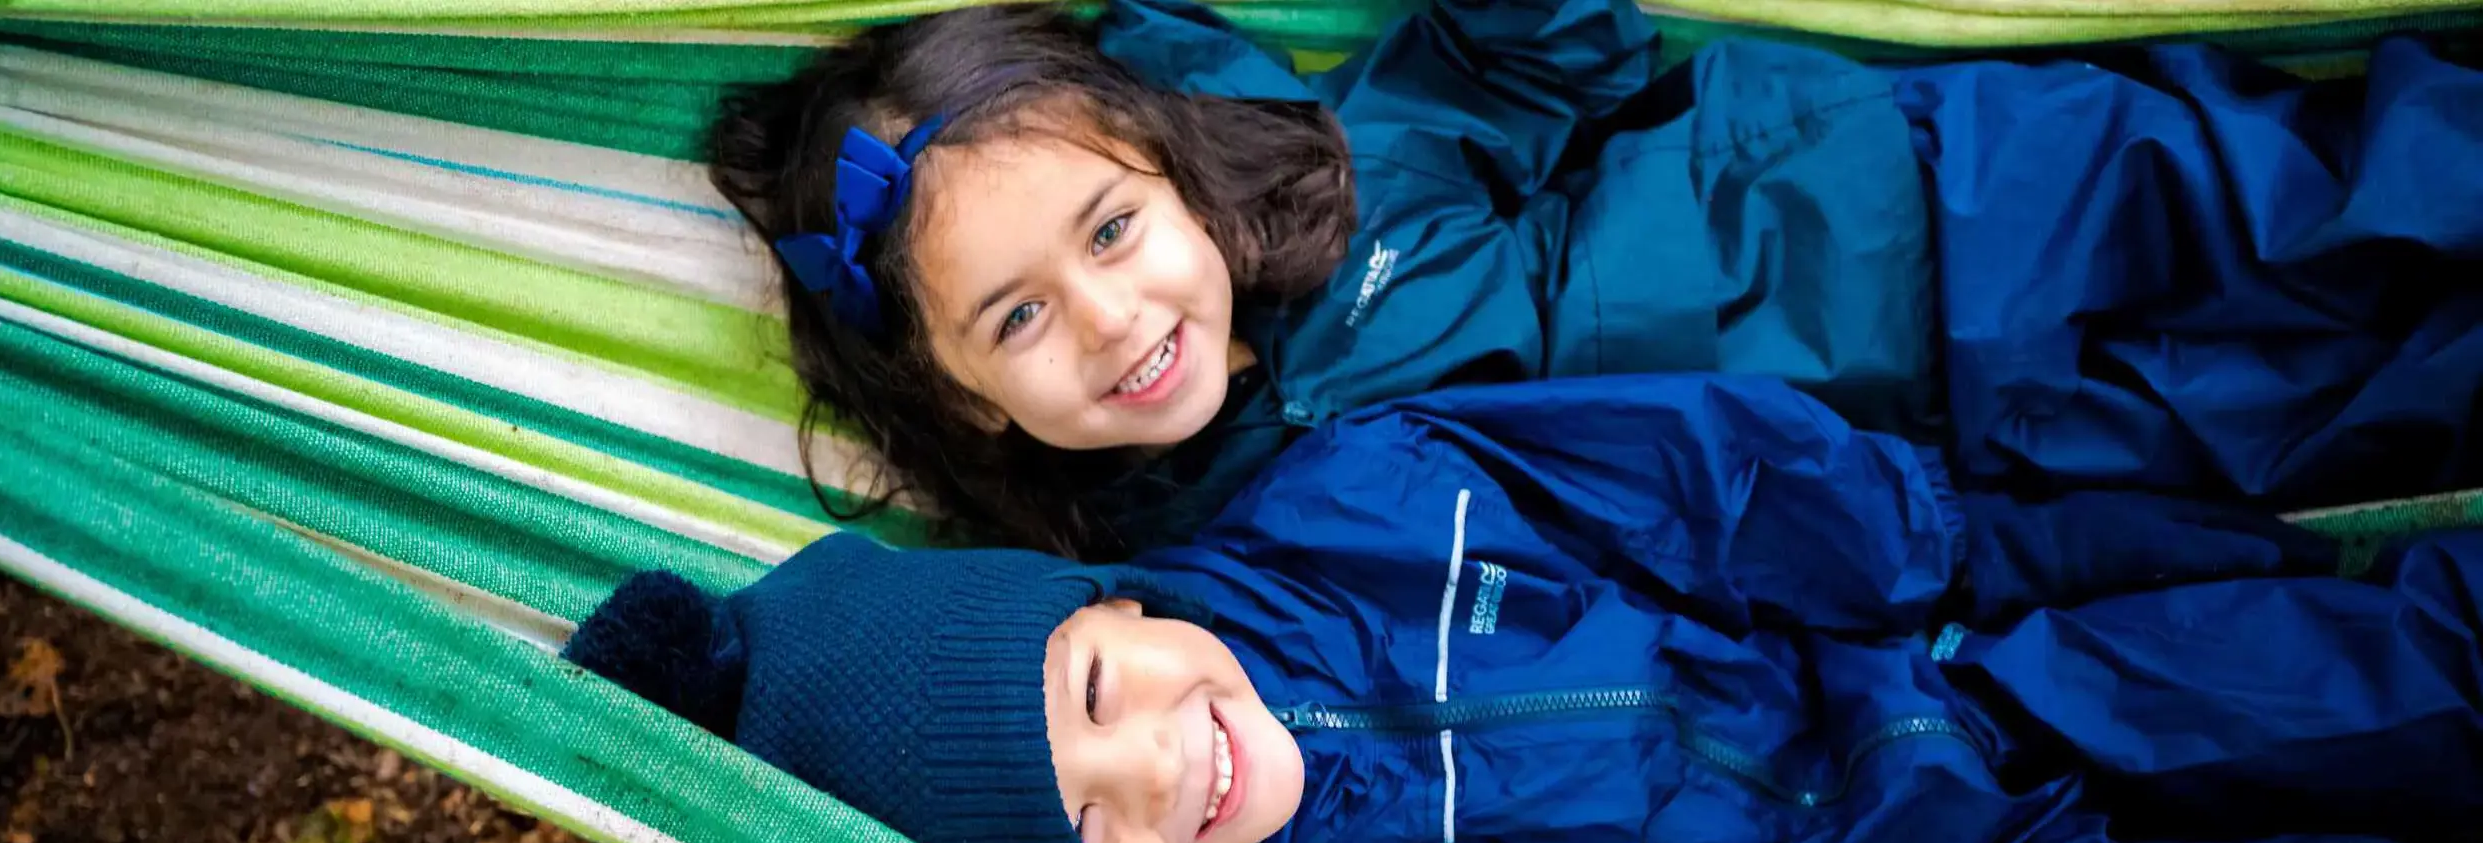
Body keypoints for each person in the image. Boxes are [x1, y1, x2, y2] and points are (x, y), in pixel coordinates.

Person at [564, 373, 2483, 843]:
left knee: (2385, 670)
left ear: (1112, 600)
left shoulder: (1368, 497)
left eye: (1094, 686)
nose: (1163, 759)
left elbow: (1697, 472)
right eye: (1089, 824)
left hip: (1945, 654)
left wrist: (1948, 571)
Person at [709, 0, 2483, 558]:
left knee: (2346, 194)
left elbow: (1558, 48)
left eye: (1112, 230)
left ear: (1175, 168)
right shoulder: (1188, 565)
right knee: (2338, 418)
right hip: (1947, 462)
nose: (1115, 319)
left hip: (1910, 203)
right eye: (1018, 318)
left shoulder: (1347, 167)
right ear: (958, 396)